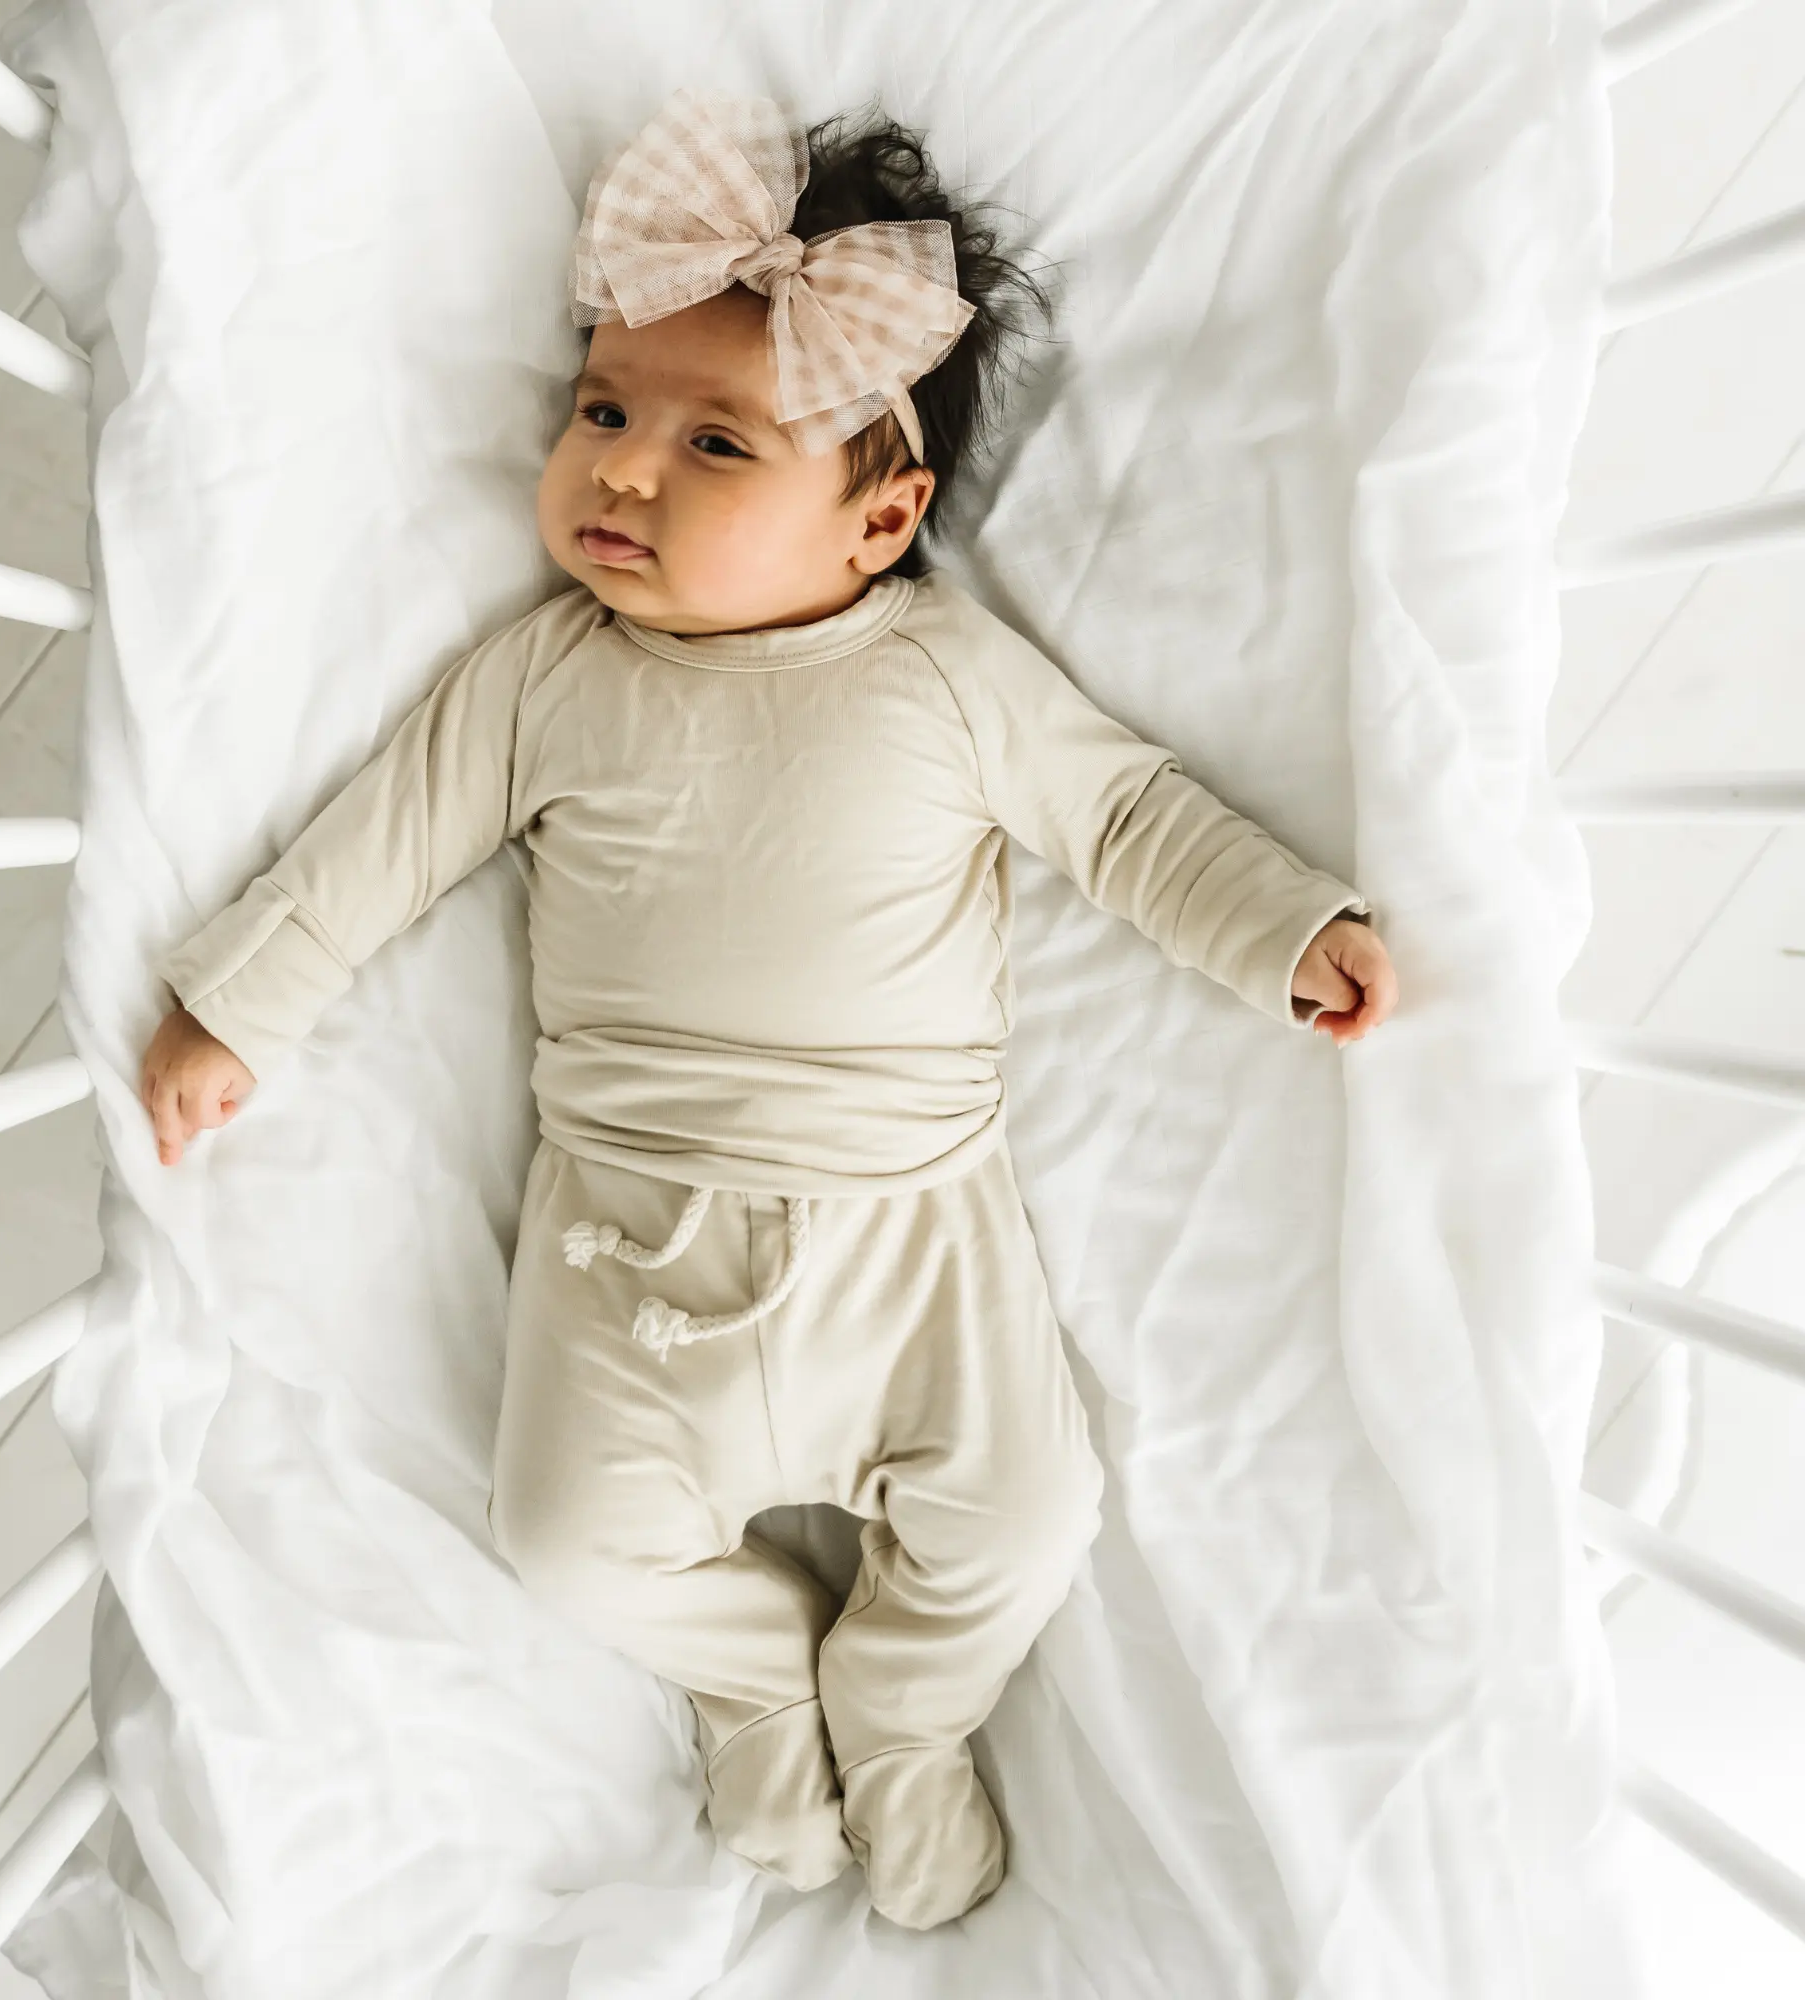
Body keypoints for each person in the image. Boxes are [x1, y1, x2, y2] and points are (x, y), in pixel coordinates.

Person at [138, 86, 1397, 1932]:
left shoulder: (949, 677)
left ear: (880, 519)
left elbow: (1125, 818)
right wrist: (238, 1005)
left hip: (916, 1234)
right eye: (603, 411)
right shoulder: (546, 681)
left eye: (715, 443)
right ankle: (751, 1677)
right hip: (629, 1242)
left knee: (1026, 1524)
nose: (622, 474)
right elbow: (377, 845)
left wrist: (1280, 926)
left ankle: (902, 1706)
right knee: (567, 1545)